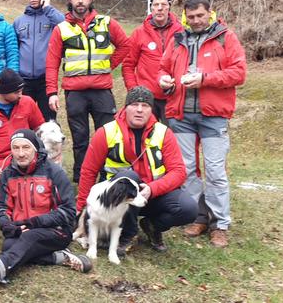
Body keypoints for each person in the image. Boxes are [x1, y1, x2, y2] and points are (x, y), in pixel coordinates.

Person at [159, 0, 247, 248]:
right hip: (181, 115)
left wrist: (206, 79)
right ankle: (198, 217)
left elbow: (239, 72)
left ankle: (220, 224)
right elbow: (163, 68)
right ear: (185, 15)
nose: (196, 20)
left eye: (200, 15)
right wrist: (163, 80)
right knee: (186, 170)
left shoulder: (225, 37)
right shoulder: (178, 39)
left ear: (210, 12)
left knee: (215, 171)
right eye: (191, 16)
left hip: (214, 115)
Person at [77, 86, 197, 255]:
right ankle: (127, 235)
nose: (139, 110)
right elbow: (88, 171)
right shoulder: (106, 132)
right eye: (134, 105)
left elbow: (178, 172)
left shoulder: (164, 133)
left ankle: (152, 226)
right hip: (120, 198)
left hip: (153, 194)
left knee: (188, 209)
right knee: (129, 177)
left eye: (145, 106)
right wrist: (82, 208)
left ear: (151, 109)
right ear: (125, 108)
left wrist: (152, 189)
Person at [0, 129, 91, 287]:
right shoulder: (8, 174)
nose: (21, 153)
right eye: (16, 148)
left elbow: (68, 211)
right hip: (22, 229)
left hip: (57, 231)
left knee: (28, 239)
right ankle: (60, 258)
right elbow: (2, 207)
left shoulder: (54, 172)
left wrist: (35, 222)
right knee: (9, 245)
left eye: (26, 147)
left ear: (36, 149)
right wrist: (5, 223)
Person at [45, 0, 129, 183]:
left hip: (102, 91)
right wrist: (52, 92)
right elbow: (52, 61)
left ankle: (108, 176)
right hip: (75, 93)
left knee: (108, 136)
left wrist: (109, 65)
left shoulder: (106, 23)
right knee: (79, 139)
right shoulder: (62, 29)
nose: (80, 1)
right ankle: (82, 177)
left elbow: (126, 45)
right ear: (70, 1)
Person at [122, 0, 183, 123]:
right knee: (147, 138)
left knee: (171, 138)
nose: (159, 8)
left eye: (163, 4)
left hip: (174, 96)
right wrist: (135, 91)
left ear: (169, 7)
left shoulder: (181, 32)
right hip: (147, 98)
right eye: (155, 4)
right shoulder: (139, 33)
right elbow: (128, 65)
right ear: (151, 8)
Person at [0, 68, 44, 178]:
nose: (20, 95)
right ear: (4, 92)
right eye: (16, 92)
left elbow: (40, 129)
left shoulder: (28, 102)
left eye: (21, 91)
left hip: (26, 155)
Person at [13, 0, 65, 121]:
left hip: (45, 79)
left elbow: (66, 25)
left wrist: (48, 8)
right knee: (23, 118)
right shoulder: (19, 21)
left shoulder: (51, 17)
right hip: (24, 80)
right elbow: (14, 49)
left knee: (48, 120)